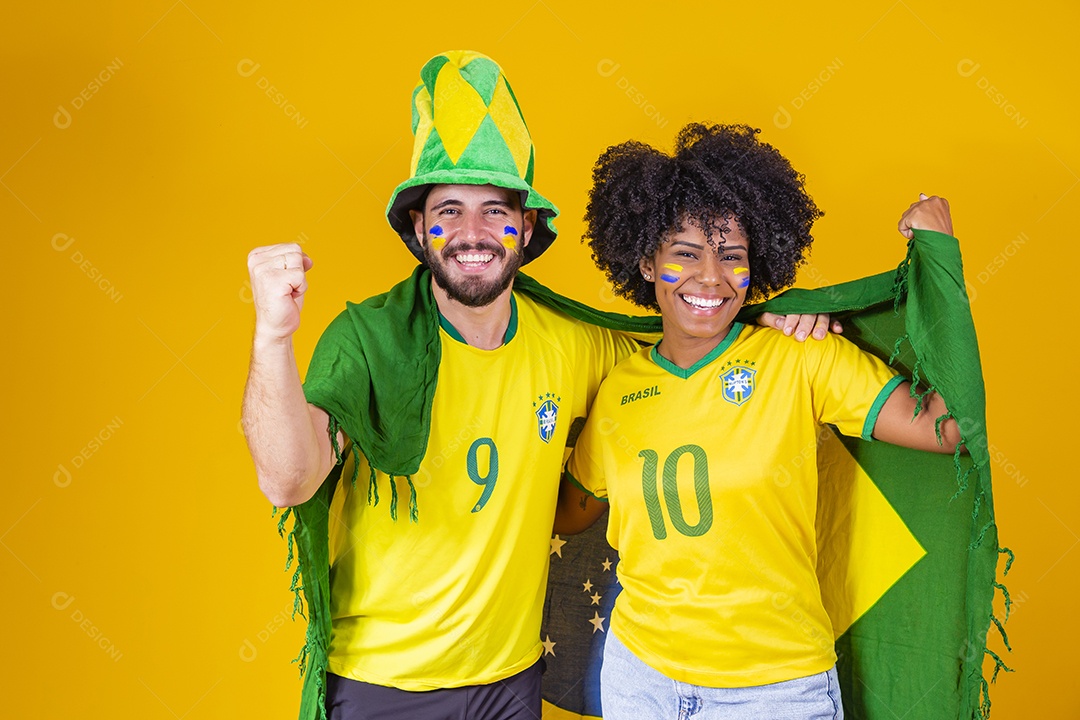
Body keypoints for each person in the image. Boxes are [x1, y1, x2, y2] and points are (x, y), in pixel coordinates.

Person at [242, 53, 834, 720]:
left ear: (525, 228)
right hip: (383, 685)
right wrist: (272, 338)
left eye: (495, 211)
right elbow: (288, 482)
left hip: (511, 686)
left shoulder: (574, 343)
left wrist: (779, 318)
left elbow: (689, 335)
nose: (472, 234)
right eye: (449, 211)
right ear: (418, 227)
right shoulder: (365, 341)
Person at [553, 122, 964, 720]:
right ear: (645, 261)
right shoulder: (619, 387)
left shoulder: (800, 356)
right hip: (639, 679)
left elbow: (947, 428)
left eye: (732, 256)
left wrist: (941, 257)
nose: (711, 277)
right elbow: (566, 512)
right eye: (685, 253)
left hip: (774, 690)